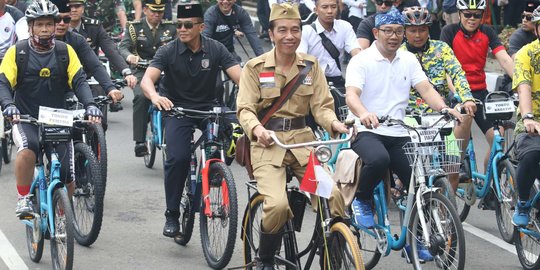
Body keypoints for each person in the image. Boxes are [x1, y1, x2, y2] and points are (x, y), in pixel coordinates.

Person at [236, 3, 349, 269]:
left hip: (302, 144)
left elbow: (321, 107)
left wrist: (335, 124)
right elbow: (245, 108)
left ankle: (333, 255)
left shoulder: (310, 66)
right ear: (271, 33)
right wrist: (257, 129)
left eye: (295, 30)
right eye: (283, 30)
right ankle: (264, 260)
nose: (290, 36)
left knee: (333, 195)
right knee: (276, 206)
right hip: (268, 146)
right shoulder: (255, 67)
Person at [345, 7, 461, 259]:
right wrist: (364, 113)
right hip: (367, 130)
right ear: (376, 32)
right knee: (379, 160)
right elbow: (351, 95)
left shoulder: (408, 59)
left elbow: (426, 89)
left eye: (398, 31)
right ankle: (361, 199)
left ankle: (415, 240)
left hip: (399, 132)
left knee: (420, 183)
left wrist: (444, 108)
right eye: (388, 31)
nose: (394, 36)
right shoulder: (361, 61)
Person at [140, 2, 241, 237]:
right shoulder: (168, 51)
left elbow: (241, 78)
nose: (182, 29)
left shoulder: (215, 49)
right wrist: (155, 96)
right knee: (178, 158)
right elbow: (147, 79)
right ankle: (172, 214)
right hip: (178, 109)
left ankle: (216, 168)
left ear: (201, 27)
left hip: (210, 107)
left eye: (188, 25)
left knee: (238, 130)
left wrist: (252, 100)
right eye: (178, 25)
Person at [0, 0, 101, 218]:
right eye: (39, 25)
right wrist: (8, 106)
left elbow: (80, 81)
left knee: (67, 175)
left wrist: (90, 105)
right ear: (30, 27)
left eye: (48, 24)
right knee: (28, 148)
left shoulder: (66, 51)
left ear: (55, 26)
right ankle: (24, 198)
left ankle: (63, 216)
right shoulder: (18, 52)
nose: (44, 29)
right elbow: (3, 83)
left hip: (58, 118)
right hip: (25, 117)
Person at [440, 0, 514, 208]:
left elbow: (505, 60)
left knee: (497, 135)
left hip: (480, 93)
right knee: (458, 142)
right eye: (468, 14)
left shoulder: (487, 32)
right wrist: (459, 95)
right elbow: (445, 68)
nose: (472, 19)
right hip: (456, 93)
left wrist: (521, 83)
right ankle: (449, 195)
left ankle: (490, 186)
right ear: (460, 14)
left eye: (477, 15)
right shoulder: (449, 31)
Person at [400, 6, 476, 191]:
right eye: (413, 30)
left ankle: (446, 213)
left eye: (423, 29)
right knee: (403, 174)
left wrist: (467, 98)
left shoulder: (441, 49)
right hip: (407, 118)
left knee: (452, 169)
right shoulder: (398, 53)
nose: (418, 35)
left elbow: (457, 73)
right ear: (404, 31)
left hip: (441, 115)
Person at [118, 0, 176, 157]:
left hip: (165, 71)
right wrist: (130, 56)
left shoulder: (171, 28)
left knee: (177, 97)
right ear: (144, 10)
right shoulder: (134, 27)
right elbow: (123, 47)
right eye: (153, 11)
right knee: (141, 97)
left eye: (160, 11)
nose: (157, 15)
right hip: (142, 71)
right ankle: (140, 142)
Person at [54, 1, 124, 120]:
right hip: (51, 88)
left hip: (80, 83)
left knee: (96, 119)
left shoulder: (78, 40)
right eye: (57, 20)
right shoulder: (37, 44)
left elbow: (95, 66)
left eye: (66, 20)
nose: (61, 24)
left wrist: (110, 88)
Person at [65, 0, 137, 112]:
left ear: (83, 8)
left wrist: (126, 72)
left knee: (99, 113)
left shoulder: (94, 26)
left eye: (77, 6)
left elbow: (110, 50)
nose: (73, 10)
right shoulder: (56, 29)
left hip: (89, 76)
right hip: (64, 79)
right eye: (70, 7)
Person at [512, 5, 540, 227]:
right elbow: (523, 87)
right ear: (537, 29)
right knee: (531, 154)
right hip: (533, 120)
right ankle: (522, 201)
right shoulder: (526, 54)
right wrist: (529, 116)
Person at [298, 0, 361, 88]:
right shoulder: (306, 31)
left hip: (337, 81)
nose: (330, 11)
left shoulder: (345, 27)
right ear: (316, 10)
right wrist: (307, 86)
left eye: (333, 7)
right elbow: (301, 60)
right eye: (325, 7)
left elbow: (356, 52)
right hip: (313, 81)